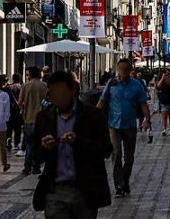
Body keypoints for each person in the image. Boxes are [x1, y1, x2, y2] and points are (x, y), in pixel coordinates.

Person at [32, 71, 113, 219]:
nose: (58, 99)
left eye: (62, 93)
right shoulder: (45, 117)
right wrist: (44, 147)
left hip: (84, 190)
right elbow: (35, 156)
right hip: (55, 191)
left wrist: (78, 142)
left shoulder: (92, 115)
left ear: (72, 90)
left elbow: (106, 149)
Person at [97, 57, 150, 197]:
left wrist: (148, 119)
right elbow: (102, 101)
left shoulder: (136, 85)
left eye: (127, 69)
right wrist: (92, 117)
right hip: (113, 125)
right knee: (116, 155)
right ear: (118, 69)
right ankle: (119, 186)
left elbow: (143, 103)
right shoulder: (112, 83)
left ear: (131, 69)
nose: (124, 71)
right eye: (121, 69)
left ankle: (125, 181)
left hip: (130, 125)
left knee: (129, 158)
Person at [19, 66, 48, 173]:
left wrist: (24, 110)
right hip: (42, 120)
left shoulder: (26, 86)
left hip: (29, 119)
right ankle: (37, 167)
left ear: (30, 74)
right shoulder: (45, 86)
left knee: (29, 144)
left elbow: (20, 102)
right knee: (39, 144)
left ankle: (27, 166)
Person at [156, 71, 170, 136]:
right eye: (165, 79)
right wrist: (162, 77)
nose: (167, 80)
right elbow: (158, 86)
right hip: (164, 103)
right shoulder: (163, 85)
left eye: (168, 78)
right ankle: (164, 129)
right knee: (164, 116)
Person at [7, 73, 24, 153]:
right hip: (19, 110)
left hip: (10, 110)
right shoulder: (21, 87)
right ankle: (16, 144)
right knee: (18, 128)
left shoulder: (9, 88)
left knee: (9, 128)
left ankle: (8, 140)